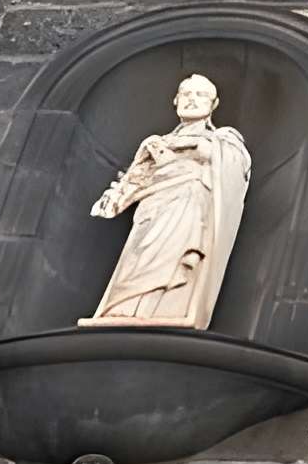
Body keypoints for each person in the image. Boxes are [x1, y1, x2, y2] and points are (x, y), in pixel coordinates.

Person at [83, 73, 251, 329]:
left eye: (200, 95)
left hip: (189, 202)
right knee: (140, 253)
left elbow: (236, 167)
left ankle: (170, 306)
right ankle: (123, 308)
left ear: (213, 104)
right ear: (176, 100)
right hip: (152, 207)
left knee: (174, 252)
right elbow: (133, 182)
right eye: (186, 94)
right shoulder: (157, 143)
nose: (192, 100)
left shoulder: (223, 139)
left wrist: (201, 150)